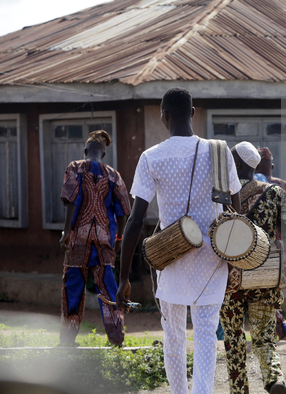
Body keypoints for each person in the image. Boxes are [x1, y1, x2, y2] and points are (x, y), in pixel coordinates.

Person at [116, 88, 241, 394]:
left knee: (173, 336)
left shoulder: (151, 157)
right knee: (206, 335)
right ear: (193, 113)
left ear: (164, 117)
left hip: (169, 257)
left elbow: (134, 221)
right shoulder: (219, 151)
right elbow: (237, 212)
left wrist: (122, 278)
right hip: (212, 258)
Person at [220, 142, 286, 394]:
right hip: (265, 276)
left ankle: (239, 389)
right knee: (265, 339)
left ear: (235, 164)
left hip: (231, 280)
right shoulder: (275, 193)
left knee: (233, 338)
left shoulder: (222, 195)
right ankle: (274, 378)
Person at [59, 130, 131, 347]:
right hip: (104, 244)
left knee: (72, 288)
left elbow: (71, 200)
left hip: (78, 241)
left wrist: (66, 231)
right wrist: (118, 239)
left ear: (85, 150)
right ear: (103, 154)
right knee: (109, 291)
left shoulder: (75, 167)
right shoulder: (114, 175)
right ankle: (117, 340)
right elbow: (124, 212)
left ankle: (67, 341)